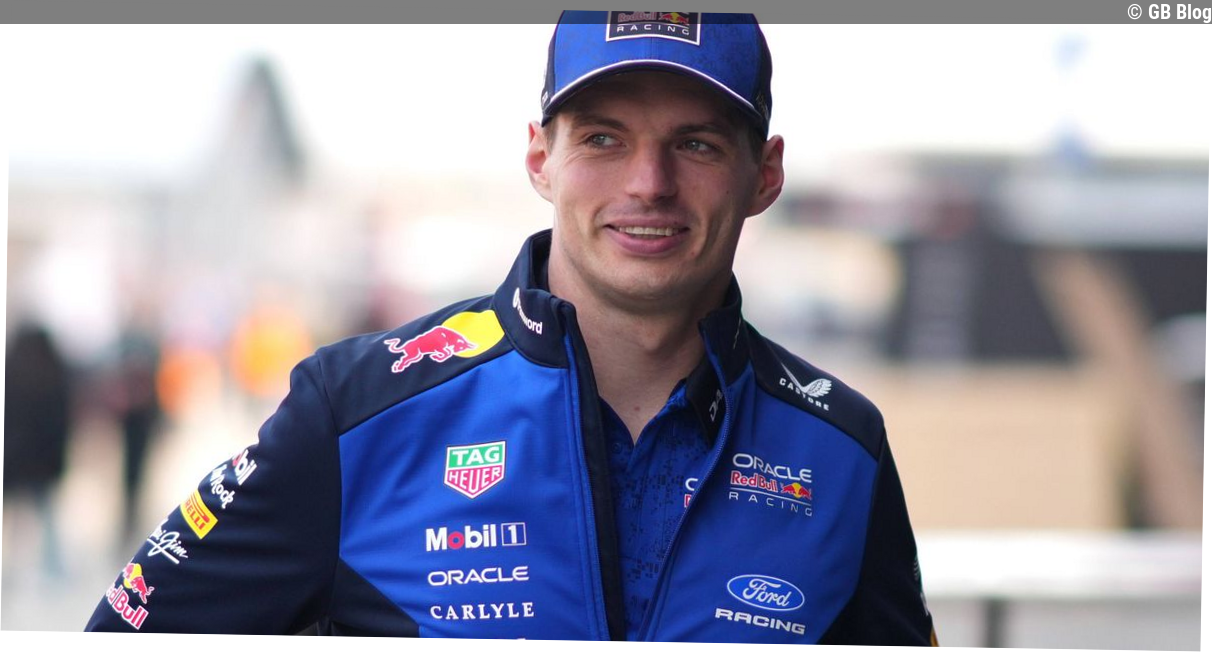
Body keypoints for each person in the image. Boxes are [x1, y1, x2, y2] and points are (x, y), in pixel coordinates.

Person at [87, 12, 938, 643]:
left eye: (698, 145)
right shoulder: (355, 416)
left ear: (765, 174)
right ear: (541, 158)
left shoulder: (843, 453)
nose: (648, 182)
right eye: (603, 139)